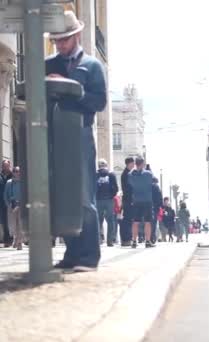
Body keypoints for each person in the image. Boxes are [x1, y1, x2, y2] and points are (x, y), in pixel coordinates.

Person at [48, 11, 107, 272]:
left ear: (77, 36)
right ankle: (71, 254)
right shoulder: (48, 64)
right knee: (62, 194)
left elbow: (99, 102)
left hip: (81, 133)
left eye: (65, 40)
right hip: (56, 134)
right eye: (57, 40)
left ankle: (89, 257)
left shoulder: (93, 66)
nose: (60, 45)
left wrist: (72, 88)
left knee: (84, 194)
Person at [128, 157, 155, 248]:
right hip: (147, 200)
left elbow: (130, 183)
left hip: (136, 200)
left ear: (136, 164)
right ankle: (147, 241)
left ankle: (134, 241)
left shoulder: (131, 175)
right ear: (143, 164)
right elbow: (153, 181)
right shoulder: (148, 174)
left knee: (135, 221)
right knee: (148, 221)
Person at [96, 159, 118, 246]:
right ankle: (110, 241)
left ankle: (98, 240)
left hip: (98, 200)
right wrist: (111, 196)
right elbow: (116, 188)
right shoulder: (111, 174)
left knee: (98, 221)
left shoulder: (95, 175)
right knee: (110, 221)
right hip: (109, 200)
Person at [4, 167, 22, 250]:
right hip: (12, 205)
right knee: (13, 225)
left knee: (20, 224)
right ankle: (15, 238)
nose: (16, 173)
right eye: (15, 171)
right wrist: (8, 205)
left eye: (18, 171)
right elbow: (5, 195)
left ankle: (19, 242)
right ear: (13, 172)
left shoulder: (23, 182)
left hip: (21, 205)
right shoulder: (9, 183)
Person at [120, 157, 135, 246]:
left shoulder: (128, 173)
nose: (133, 165)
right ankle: (126, 239)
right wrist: (132, 200)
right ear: (128, 164)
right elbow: (128, 189)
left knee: (128, 219)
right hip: (128, 200)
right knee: (127, 220)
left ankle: (127, 239)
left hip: (128, 200)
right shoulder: (126, 174)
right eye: (132, 163)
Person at [0, 160, 13, 247]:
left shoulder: (13, 175)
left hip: (10, 201)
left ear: (9, 166)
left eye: (7, 166)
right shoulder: (0, 176)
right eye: (4, 165)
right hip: (1, 201)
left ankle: (10, 239)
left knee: (10, 221)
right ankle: (6, 239)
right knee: (3, 221)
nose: (5, 167)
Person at [151, 177, 163, 243]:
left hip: (148, 206)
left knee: (148, 222)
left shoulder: (148, 186)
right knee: (154, 223)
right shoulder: (156, 187)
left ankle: (147, 236)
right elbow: (160, 197)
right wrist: (161, 206)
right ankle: (152, 237)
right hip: (155, 207)